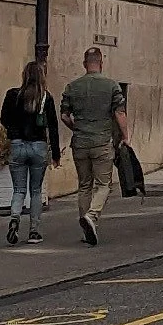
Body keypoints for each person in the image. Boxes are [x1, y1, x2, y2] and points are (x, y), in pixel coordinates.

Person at [58, 44, 127, 245]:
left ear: (84, 64)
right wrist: (126, 136)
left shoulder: (72, 87)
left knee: (84, 185)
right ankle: (92, 216)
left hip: (80, 142)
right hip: (102, 141)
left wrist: (76, 128)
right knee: (104, 184)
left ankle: (85, 227)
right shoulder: (112, 86)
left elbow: (64, 115)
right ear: (101, 63)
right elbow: (119, 113)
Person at [0, 63, 60, 243]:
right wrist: (55, 154)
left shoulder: (12, 95)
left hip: (17, 145)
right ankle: (34, 231)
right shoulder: (45, 98)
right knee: (35, 190)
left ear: (24, 75)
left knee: (18, 189)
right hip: (38, 146)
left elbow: (4, 119)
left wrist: (13, 132)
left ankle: (14, 219)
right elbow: (53, 127)